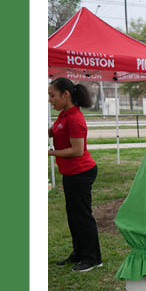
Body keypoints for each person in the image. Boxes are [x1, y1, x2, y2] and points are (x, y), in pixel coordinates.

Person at [48, 77, 102, 272]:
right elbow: (54, 131)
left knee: (82, 216)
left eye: (52, 95)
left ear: (66, 94)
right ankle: (78, 253)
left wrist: (49, 152)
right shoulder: (63, 115)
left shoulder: (75, 118)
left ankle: (93, 258)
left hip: (82, 172)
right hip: (70, 173)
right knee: (73, 215)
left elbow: (77, 150)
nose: (49, 99)